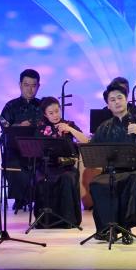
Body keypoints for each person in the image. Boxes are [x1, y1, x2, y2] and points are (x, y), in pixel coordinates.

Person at [87, 81, 136, 244]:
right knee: (97, 183)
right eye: (112, 100)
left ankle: (127, 228)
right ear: (108, 105)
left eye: (120, 98)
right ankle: (107, 229)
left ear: (126, 100)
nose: (117, 102)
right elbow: (93, 150)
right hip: (113, 171)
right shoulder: (104, 127)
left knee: (133, 180)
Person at [32, 96, 89, 228]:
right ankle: (45, 220)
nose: (55, 115)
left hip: (66, 167)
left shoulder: (69, 124)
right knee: (40, 179)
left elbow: (85, 141)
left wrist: (71, 130)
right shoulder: (41, 128)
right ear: (45, 115)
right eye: (51, 113)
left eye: (57, 111)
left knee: (67, 178)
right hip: (47, 167)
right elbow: (36, 149)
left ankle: (67, 220)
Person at [0, 68, 42, 211]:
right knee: (13, 165)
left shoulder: (42, 106)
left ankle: (36, 198)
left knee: (44, 165)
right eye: (26, 85)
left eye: (33, 85)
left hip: (37, 150)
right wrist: (19, 126)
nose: (30, 89)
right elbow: (4, 125)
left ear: (38, 86)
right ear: (20, 85)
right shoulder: (10, 106)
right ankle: (22, 198)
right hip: (15, 150)